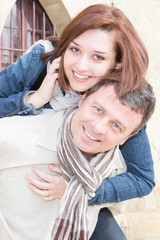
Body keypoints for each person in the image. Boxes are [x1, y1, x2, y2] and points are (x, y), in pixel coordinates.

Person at [0, 3, 154, 238]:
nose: (80, 66)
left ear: (117, 65)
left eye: (98, 57)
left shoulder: (121, 102)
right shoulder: (40, 61)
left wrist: (78, 189)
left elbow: (142, 177)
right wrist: (33, 99)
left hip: (82, 187)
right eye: (74, 50)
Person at [0, 79, 155, 240]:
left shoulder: (116, 169)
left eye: (116, 126)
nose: (98, 128)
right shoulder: (12, 136)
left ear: (127, 137)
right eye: (98, 110)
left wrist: (76, 190)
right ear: (82, 99)